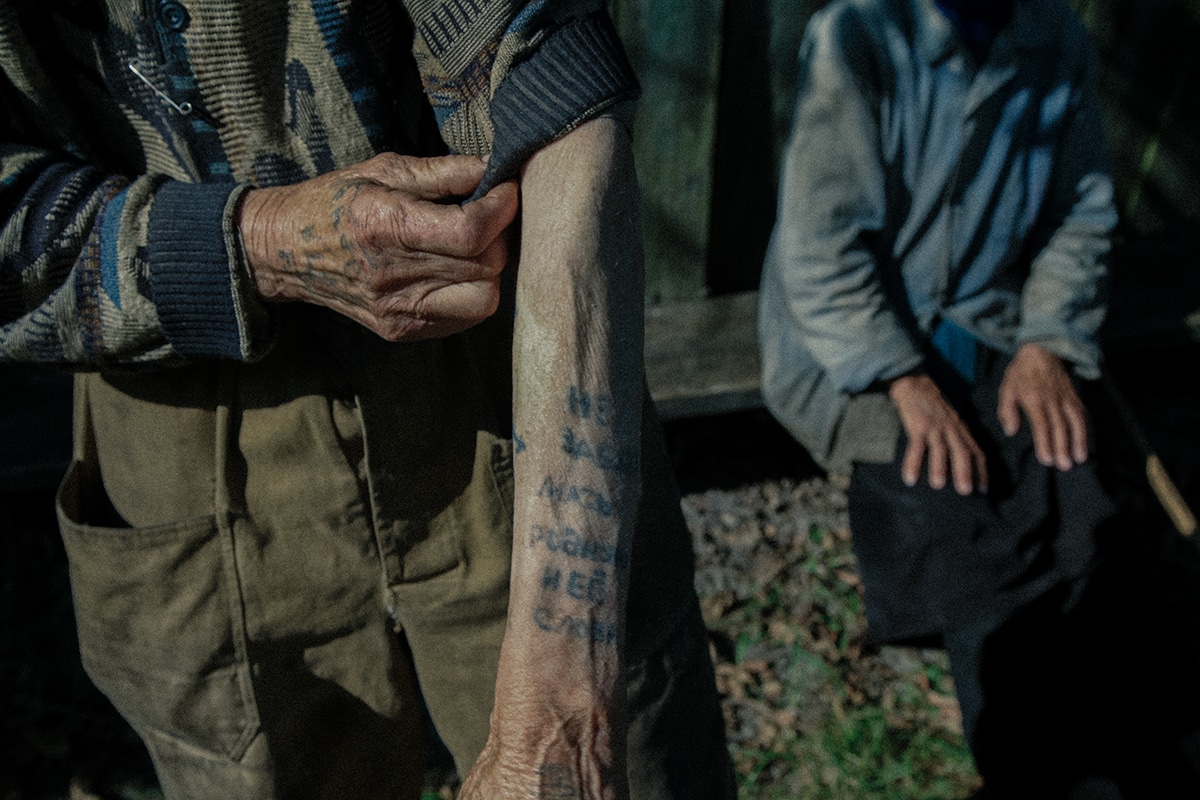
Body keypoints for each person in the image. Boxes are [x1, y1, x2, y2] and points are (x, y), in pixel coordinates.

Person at [0, 3, 736, 799]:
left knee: (625, 749)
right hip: (178, 423)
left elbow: (553, 75)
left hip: (500, 366)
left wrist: (562, 705)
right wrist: (257, 243)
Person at [758, 0, 1200, 796]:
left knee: (1079, 502)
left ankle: (1141, 743)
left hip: (993, 330)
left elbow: (1080, 210)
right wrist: (905, 380)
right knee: (958, 526)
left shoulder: (1052, 34)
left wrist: (1047, 341)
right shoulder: (859, 37)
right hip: (855, 347)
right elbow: (819, 252)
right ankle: (1039, 762)